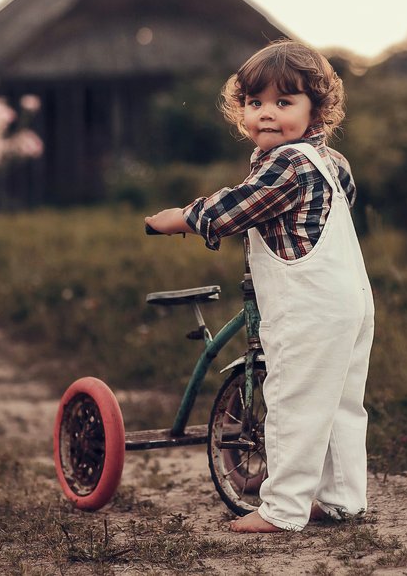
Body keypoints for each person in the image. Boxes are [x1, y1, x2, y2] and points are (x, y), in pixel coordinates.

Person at [145, 39, 375, 533]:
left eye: (283, 102)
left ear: (316, 111)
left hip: (308, 306)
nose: (266, 114)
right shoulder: (333, 163)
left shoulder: (286, 164)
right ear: (242, 109)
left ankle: (282, 509)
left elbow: (236, 208)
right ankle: (340, 499)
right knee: (338, 402)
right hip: (349, 299)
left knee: (293, 399)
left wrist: (180, 218)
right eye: (255, 103)